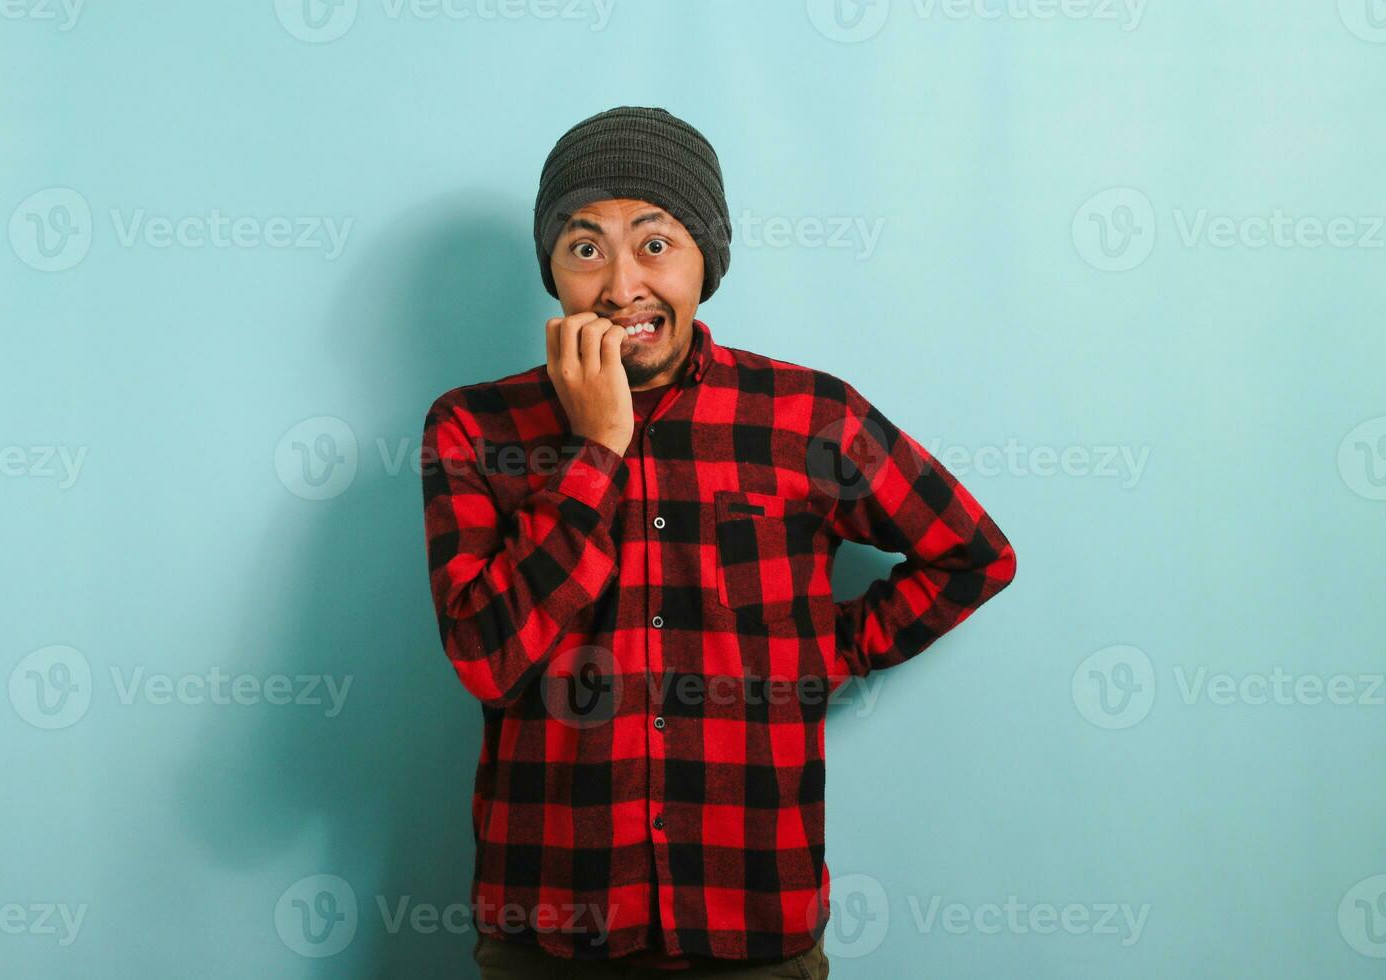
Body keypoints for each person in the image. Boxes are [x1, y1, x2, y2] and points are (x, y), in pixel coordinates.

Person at [419, 105, 1018, 977]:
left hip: (754, 924)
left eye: (655, 244)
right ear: (552, 270)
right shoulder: (473, 427)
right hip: (550, 929)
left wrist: (827, 647)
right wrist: (596, 454)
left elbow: (974, 554)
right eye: (586, 248)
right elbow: (485, 659)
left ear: (708, 258)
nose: (622, 285)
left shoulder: (812, 418)